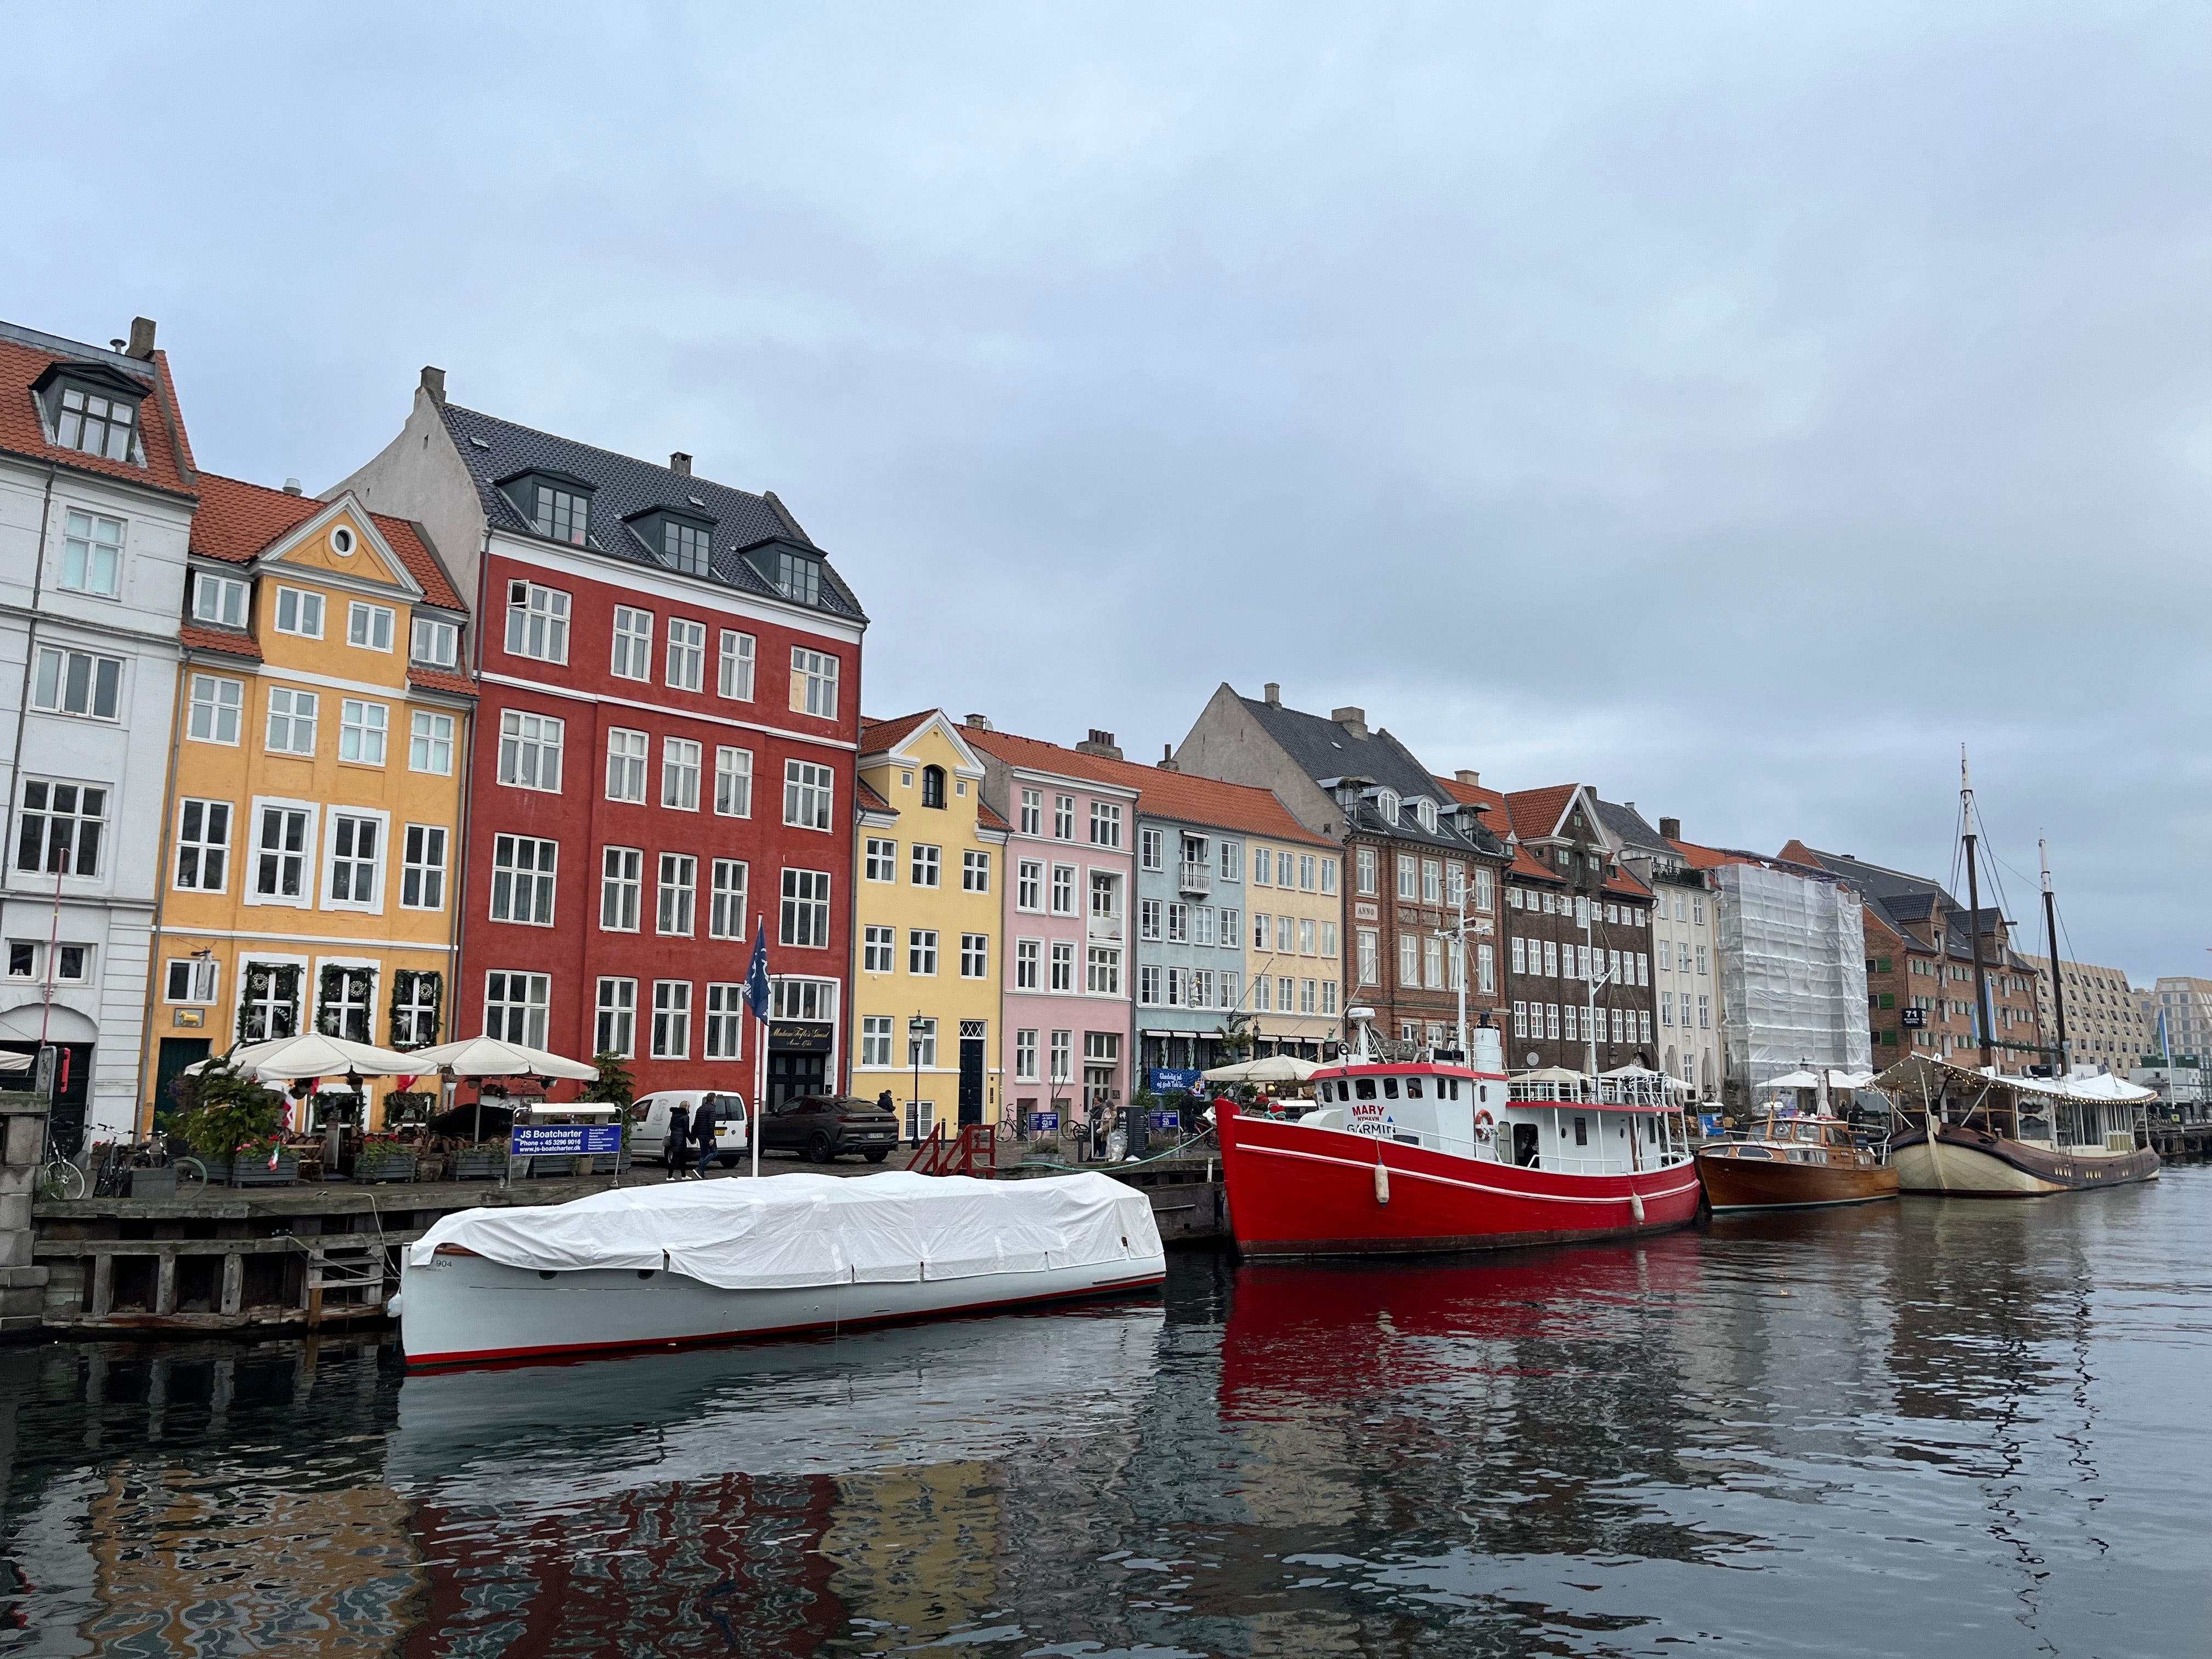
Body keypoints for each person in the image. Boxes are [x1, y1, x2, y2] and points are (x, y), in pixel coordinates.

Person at [691, 1098, 719, 1178]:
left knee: (704, 1154)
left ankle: (701, 1175)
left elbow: (696, 1123)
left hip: (700, 1135)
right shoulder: (712, 1109)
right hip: (708, 1135)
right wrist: (712, 1138)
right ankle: (700, 1169)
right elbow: (711, 1124)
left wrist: (694, 1136)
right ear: (714, 1099)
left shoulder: (700, 1109)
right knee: (714, 1152)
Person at [664, 1096, 689, 1178]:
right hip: (681, 1140)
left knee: (682, 1158)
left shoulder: (674, 1115)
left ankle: (684, 1175)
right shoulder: (685, 1117)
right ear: (687, 1107)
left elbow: (672, 1127)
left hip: (674, 1138)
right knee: (676, 1158)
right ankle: (669, 1177)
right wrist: (692, 1139)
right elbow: (686, 1130)